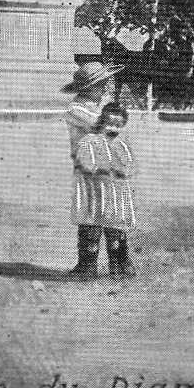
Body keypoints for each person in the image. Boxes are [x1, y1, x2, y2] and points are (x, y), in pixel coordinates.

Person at [61, 61, 124, 277]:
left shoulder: (101, 104)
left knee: (113, 212)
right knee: (91, 214)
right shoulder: (76, 109)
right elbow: (103, 123)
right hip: (88, 169)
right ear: (88, 87)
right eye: (101, 83)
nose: (106, 86)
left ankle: (119, 263)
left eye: (106, 82)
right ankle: (87, 264)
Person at [72, 102, 138, 279]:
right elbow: (85, 163)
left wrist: (122, 169)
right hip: (94, 192)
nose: (113, 129)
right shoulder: (89, 141)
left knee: (115, 229)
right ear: (101, 121)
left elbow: (130, 165)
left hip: (116, 194)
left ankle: (118, 264)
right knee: (91, 228)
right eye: (109, 124)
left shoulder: (121, 144)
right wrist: (99, 169)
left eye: (118, 125)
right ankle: (87, 265)